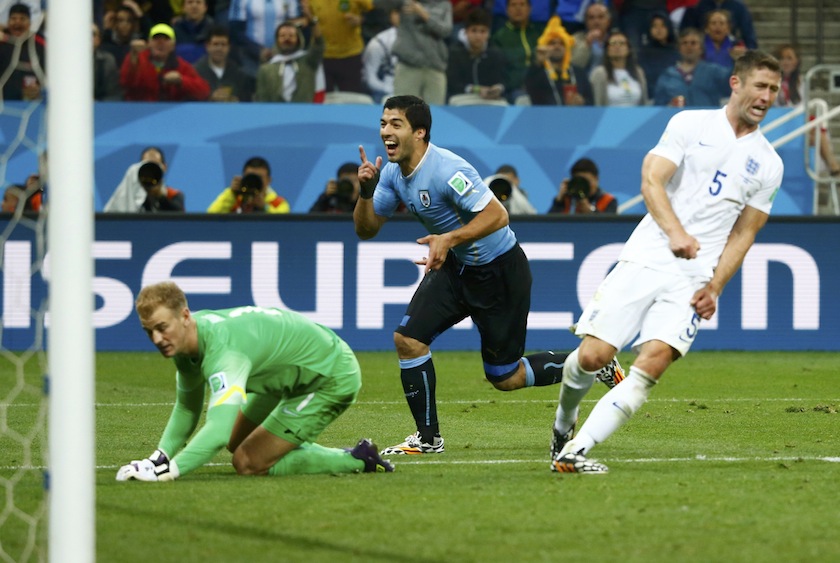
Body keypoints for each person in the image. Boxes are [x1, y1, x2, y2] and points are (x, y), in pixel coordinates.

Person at [548, 50, 784, 474]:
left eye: (774, 89)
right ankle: (564, 425)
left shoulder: (769, 163)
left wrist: (714, 286)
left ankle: (575, 451)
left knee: (654, 360)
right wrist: (675, 232)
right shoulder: (690, 124)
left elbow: (744, 233)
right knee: (592, 357)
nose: (766, 96)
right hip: (648, 253)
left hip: (694, 276)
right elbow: (651, 179)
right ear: (736, 83)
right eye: (760, 86)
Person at [353, 95, 623, 455]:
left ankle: (591, 361)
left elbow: (498, 216)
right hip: (456, 269)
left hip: (500, 272)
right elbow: (366, 229)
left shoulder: (448, 170)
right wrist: (366, 193)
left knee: (505, 377)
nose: (386, 131)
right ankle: (428, 438)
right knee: (408, 340)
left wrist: (449, 238)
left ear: (419, 133)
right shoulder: (390, 173)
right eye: (383, 123)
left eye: (395, 124)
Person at [115, 281, 394, 482]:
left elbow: (217, 430)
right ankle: (284, 446)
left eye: (162, 328)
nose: (156, 339)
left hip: (328, 375)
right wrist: (158, 457)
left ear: (185, 316)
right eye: (149, 331)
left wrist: (168, 472)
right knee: (239, 441)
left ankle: (359, 459)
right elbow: (187, 408)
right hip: (281, 377)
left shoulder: (224, 354)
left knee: (247, 461)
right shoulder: (186, 341)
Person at [773, 43, 840, 177]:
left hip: (795, 125)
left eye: (789, 58)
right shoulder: (771, 80)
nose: (785, 62)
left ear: (796, 62)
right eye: (782, 58)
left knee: (815, 127)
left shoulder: (801, 81)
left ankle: (832, 166)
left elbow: (802, 108)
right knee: (815, 127)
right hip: (777, 124)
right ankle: (833, 165)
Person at [120, 23, 211, 101]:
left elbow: (204, 91)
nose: (161, 43)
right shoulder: (136, 58)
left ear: (173, 45)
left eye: (166, 39)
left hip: (170, 114)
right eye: (156, 39)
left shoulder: (181, 65)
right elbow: (125, 83)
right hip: (139, 113)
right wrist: (133, 58)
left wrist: (181, 81)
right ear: (149, 43)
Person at [391, 0, 452, 106]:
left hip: (435, 65)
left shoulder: (444, 5)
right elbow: (379, 4)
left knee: (435, 112)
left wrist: (424, 14)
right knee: (403, 110)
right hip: (408, 64)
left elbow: (445, 30)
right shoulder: (403, 2)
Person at [228, 0, 308, 78]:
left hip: (282, 57)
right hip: (251, 59)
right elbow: (235, 30)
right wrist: (257, 50)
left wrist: (278, 49)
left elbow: (295, 26)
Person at [653, 27, 729, 107]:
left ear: (701, 48)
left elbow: (731, 85)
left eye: (693, 43)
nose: (689, 46)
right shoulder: (667, 75)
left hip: (707, 118)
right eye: (684, 43)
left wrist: (737, 61)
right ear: (679, 48)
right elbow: (658, 105)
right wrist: (668, 106)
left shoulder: (714, 71)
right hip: (679, 118)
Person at [525, 14, 591, 106]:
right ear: (545, 47)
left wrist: (583, 102)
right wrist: (538, 62)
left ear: (567, 48)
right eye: (552, 43)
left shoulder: (579, 73)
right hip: (546, 118)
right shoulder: (538, 73)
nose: (557, 46)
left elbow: (591, 102)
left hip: (575, 117)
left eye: (561, 43)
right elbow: (530, 91)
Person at [309, 0, 372, 93]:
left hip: (350, 56)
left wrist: (361, 19)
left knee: (351, 100)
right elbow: (304, 17)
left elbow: (377, 12)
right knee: (323, 101)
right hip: (322, 57)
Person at [254, 20, 325, 103]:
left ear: (298, 39)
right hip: (275, 114)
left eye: (291, 36)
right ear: (277, 40)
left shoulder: (309, 62)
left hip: (303, 113)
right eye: (282, 36)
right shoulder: (265, 70)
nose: (287, 39)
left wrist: (312, 21)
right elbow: (262, 99)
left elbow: (319, 44)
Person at [446, 7, 506, 103]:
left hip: (489, 99)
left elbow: (501, 80)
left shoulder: (495, 53)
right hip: (463, 97)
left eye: (483, 31)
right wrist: (476, 89)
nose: (478, 36)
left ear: (489, 33)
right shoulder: (455, 52)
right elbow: (453, 83)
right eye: (474, 30)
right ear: (466, 32)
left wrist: (498, 88)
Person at [490, 0, 544, 104]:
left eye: (522, 4)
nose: (518, 8)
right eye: (513, 5)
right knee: (524, 100)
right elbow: (499, 70)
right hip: (515, 89)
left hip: (542, 85)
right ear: (507, 10)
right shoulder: (499, 37)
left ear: (529, 9)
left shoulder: (540, 34)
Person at [104, 146, 186, 213]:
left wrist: (159, 196)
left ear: (164, 167)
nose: (150, 171)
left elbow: (180, 218)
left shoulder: (173, 195)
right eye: (147, 166)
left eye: (155, 165)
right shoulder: (129, 195)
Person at [207, 156, 290, 213]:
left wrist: (264, 207)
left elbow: (283, 224)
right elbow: (210, 216)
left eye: (259, 177)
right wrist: (232, 194)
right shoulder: (233, 199)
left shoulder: (277, 203)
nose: (254, 181)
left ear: (269, 180)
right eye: (250, 177)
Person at [194, 25, 255, 102]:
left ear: (229, 47)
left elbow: (246, 101)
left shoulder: (239, 74)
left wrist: (236, 101)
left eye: (223, 44)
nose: (219, 49)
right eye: (215, 44)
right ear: (207, 46)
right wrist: (210, 98)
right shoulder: (195, 72)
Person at [589, 29, 649, 106]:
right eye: (613, 43)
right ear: (607, 50)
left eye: (622, 43)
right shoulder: (599, 73)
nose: (617, 46)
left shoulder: (638, 72)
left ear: (628, 49)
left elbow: (644, 103)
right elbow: (596, 104)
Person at [0, 2, 45, 101]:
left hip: (31, 105)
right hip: (3, 106)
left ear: (29, 24)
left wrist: (40, 89)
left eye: (22, 19)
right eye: (13, 19)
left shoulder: (39, 45)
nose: (17, 23)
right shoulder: (2, 43)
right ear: (7, 23)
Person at [547, 157, 617, 214]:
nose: (583, 186)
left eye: (586, 181)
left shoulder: (608, 200)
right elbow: (548, 226)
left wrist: (591, 212)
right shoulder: (566, 199)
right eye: (580, 182)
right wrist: (558, 200)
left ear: (596, 179)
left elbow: (608, 227)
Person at [680, 0, 756, 50]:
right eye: (713, 23)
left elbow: (749, 35)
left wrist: (748, 53)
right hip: (702, 49)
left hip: (730, 48)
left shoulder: (739, 7)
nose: (717, 26)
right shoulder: (698, 6)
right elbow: (686, 32)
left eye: (722, 23)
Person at [637, 10, 678, 100]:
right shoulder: (643, 53)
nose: (659, 29)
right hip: (650, 99)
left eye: (663, 25)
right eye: (654, 26)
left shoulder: (677, 52)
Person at [361, 6, 398, 103]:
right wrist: (392, 91)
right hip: (383, 91)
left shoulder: (420, 42)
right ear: (391, 16)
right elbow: (370, 79)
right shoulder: (378, 43)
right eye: (398, 13)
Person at [570, 2, 611, 76]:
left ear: (608, 21)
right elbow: (574, 66)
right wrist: (586, 44)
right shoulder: (576, 39)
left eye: (601, 17)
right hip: (584, 81)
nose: (596, 21)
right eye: (591, 18)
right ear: (586, 22)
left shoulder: (615, 40)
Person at [94, 22, 123, 101]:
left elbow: (113, 94)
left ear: (99, 40)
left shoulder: (108, 60)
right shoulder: (67, 62)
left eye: (93, 34)